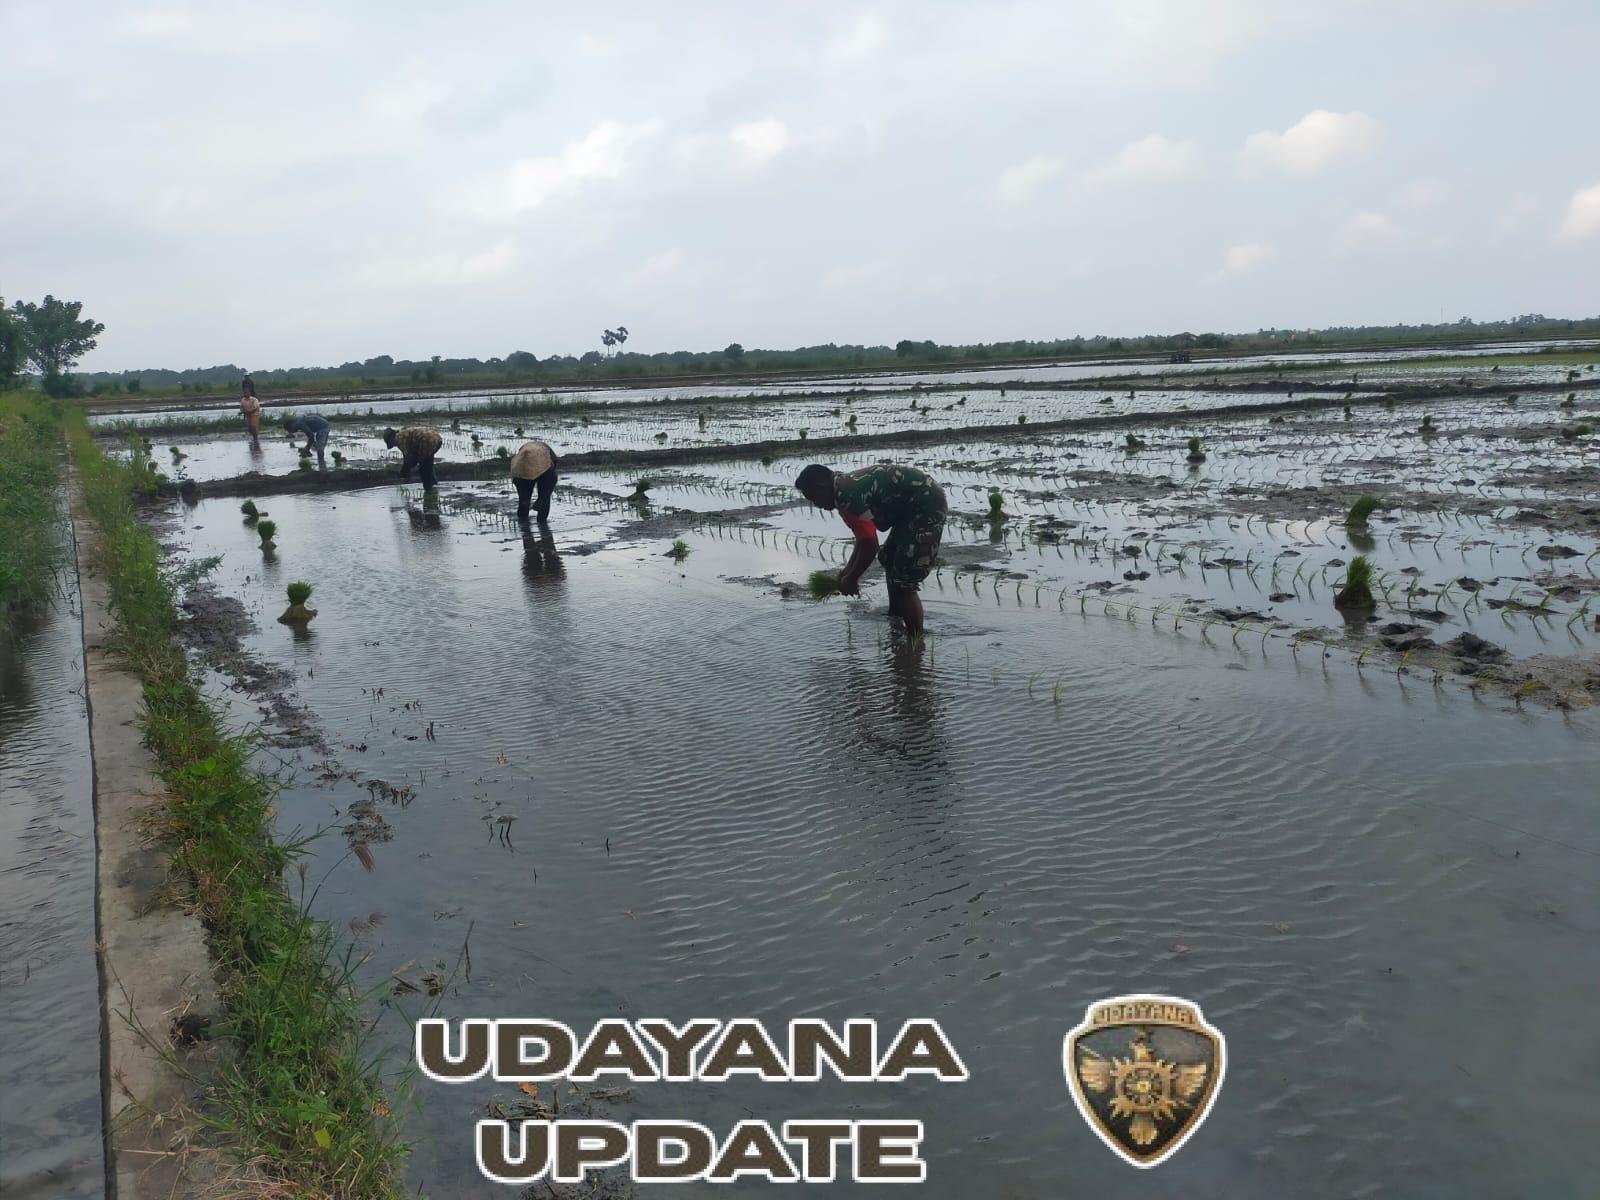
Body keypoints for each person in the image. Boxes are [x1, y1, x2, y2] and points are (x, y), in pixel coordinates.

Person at [796, 461, 947, 639]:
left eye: (814, 499)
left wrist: (852, 578)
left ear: (820, 487)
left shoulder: (847, 495)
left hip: (926, 504)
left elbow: (870, 545)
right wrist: (846, 573)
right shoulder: (842, 489)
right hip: (908, 511)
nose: (816, 505)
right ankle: (896, 618)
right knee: (889, 557)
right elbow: (863, 539)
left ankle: (915, 642)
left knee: (904, 579)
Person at [508, 438, 558, 523]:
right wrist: (544, 496)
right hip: (544, 470)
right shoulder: (546, 450)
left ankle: (523, 524)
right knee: (545, 498)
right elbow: (553, 470)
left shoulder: (522, 454)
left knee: (524, 499)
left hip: (523, 470)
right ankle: (542, 520)